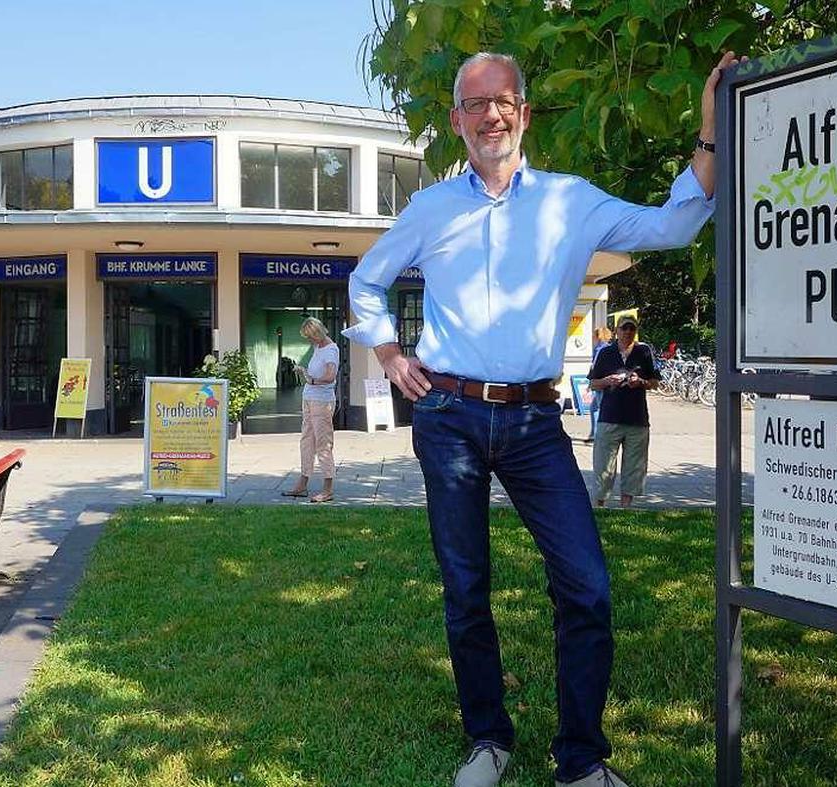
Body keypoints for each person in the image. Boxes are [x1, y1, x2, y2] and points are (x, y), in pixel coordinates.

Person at [345, 50, 739, 787]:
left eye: (502, 100)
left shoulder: (570, 200)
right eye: (473, 104)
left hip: (533, 422)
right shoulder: (431, 208)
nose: (489, 114)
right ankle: (488, 739)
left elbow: (674, 224)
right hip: (449, 415)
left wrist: (710, 132)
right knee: (466, 586)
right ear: (457, 120)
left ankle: (580, 759)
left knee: (586, 584)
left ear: (523, 112)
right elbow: (365, 283)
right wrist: (392, 356)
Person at [588, 317, 660, 508]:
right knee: (603, 465)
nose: (628, 331)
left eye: (632, 328)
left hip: (637, 419)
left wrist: (641, 382)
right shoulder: (605, 353)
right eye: (624, 328)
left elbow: (654, 381)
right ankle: (599, 505)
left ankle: (626, 508)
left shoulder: (643, 351)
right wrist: (608, 381)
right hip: (609, 417)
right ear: (616, 330)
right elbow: (593, 383)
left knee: (634, 467)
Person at [281, 317, 340, 503]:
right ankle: (302, 484)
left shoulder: (331, 349)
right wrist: (305, 372)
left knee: (323, 443)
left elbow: (330, 376)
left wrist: (312, 380)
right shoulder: (318, 347)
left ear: (317, 334)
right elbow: (316, 373)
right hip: (309, 399)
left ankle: (328, 489)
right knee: (306, 441)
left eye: (309, 337)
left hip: (322, 402)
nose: (308, 341)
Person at [583, 326, 613, 443]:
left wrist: (591, 382)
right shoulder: (609, 347)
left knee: (600, 408)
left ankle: (600, 436)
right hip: (606, 381)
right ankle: (594, 434)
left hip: (599, 382)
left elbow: (594, 366)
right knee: (595, 407)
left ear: (597, 336)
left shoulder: (599, 349)